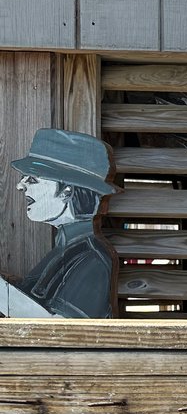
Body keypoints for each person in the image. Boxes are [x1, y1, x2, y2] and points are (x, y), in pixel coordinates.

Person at [4, 128, 119, 318]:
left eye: (32, 179)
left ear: (67, 191)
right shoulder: (65, 250)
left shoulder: (92, 257)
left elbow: (63, 332)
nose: (19, 185)